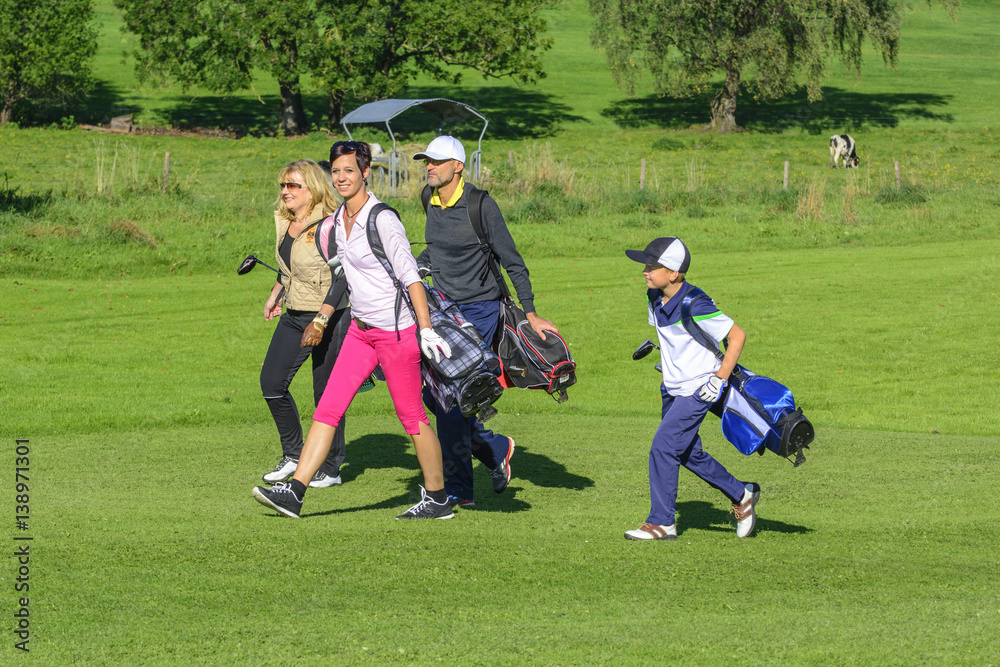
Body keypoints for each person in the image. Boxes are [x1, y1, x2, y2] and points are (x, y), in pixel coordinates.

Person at [252, 140, 455, 520]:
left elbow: (411, 277)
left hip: (396, 334)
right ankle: (295, 493)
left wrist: (425, 330)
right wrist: (322, 315)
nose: (342, 177)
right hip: (360, 332)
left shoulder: (382, 219)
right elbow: (343, 276)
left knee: (412, 417)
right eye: (336, 170)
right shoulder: (337, 222)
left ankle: (438, 497)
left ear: (365, 173)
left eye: (349, 170)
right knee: (327, 409)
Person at [412, 135, 558, 508]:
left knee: (452, 398)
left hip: (480, 310)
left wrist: (530, 312)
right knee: (434, 393)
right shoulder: (427, 199)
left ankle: (460, 490)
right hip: (442, 310)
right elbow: (438, 246)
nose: (429, 166)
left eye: (437, 161)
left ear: (458, 166)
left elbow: (511, 259)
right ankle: (494, 448)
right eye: (426, 160)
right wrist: (420, 265)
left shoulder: (481, 204)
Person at [622, 236, 760, 541]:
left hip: (700, 387)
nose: (645, 271)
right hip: (672, 389)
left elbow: (737, 336)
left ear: (673, 273)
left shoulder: (696, 303)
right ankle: (741, 494)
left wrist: (718, 379)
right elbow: (669, 340)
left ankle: (661, 523)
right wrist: (666, 380)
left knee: (662, 448)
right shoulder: (653, 297)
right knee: (685, 453)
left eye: (651, 266)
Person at [259, 158, 351, 489]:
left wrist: (322, 319)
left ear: (311, 189)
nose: (286, 192)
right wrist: (276, 293)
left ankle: (330, 467)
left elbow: (342, 276)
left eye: (293, 185)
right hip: (295, 314)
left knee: (326, 394)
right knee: (271, 383)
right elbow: (290, 267)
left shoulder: (329, 225)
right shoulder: (286, 222)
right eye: (283, 185)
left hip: (332, 316)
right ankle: (295, 454)